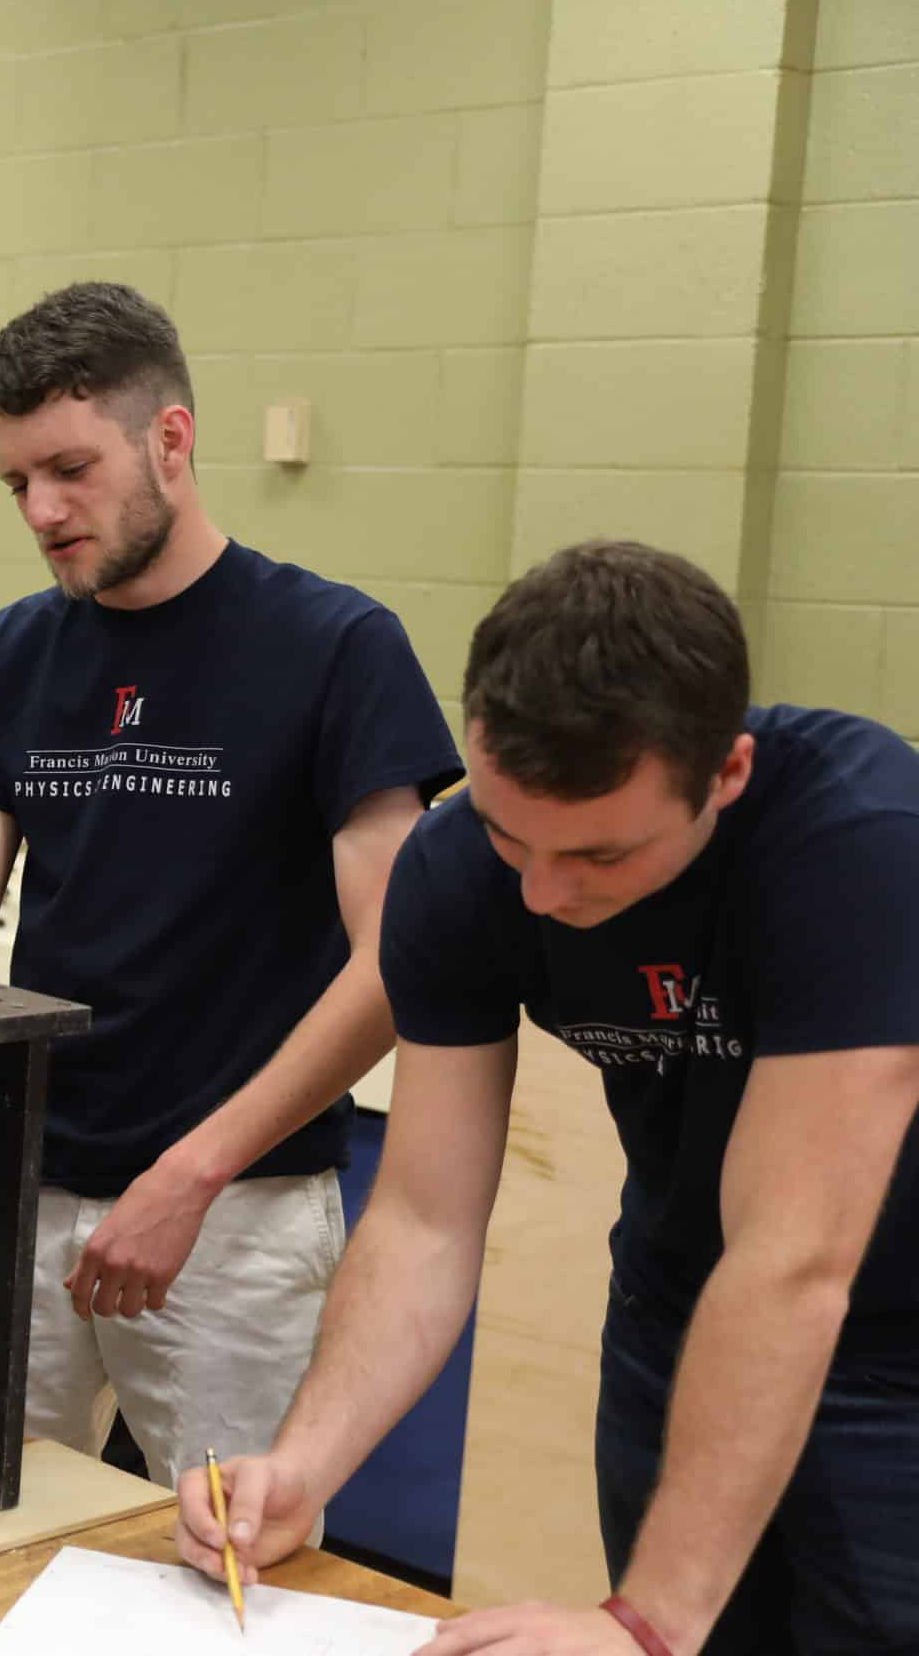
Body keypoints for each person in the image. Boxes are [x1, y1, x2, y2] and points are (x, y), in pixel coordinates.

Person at [178, 542, 919, 1656]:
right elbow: (426, 1217)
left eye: (599, 856)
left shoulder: (859, 845)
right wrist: (303, 1463)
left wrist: (644, 1622)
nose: (540, 889)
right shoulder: (456, 866)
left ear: (725, 776)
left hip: (893, 1352)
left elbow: (792, 1261)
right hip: (674, 1316)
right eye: (507, 831)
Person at [0, 281, 462, 1492]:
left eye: (68, 468)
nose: (43, 512)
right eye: (16, 484)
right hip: (26, 1191)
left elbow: (396, 960)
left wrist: (193, 1170)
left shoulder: (335, 648)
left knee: (223, 1562)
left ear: (170, 439)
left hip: (239, 1215)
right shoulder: (6, 653)